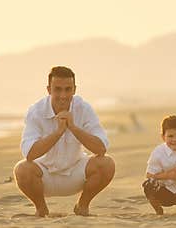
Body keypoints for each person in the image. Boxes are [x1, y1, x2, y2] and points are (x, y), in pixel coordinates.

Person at [13, 66, 115, 217]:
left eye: (68, 89)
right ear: (49, 89)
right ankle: (41, 209)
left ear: (74, 89)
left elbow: (101, 148)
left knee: (107, 164)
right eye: (58, 89)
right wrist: (58, 132)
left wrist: (72, 127)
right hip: (44, 175)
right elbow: (29, 154)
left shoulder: (83, 108)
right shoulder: (36, 111)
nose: (63, 95)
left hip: (76, 173)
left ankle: (82, 206)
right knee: (22, 169)